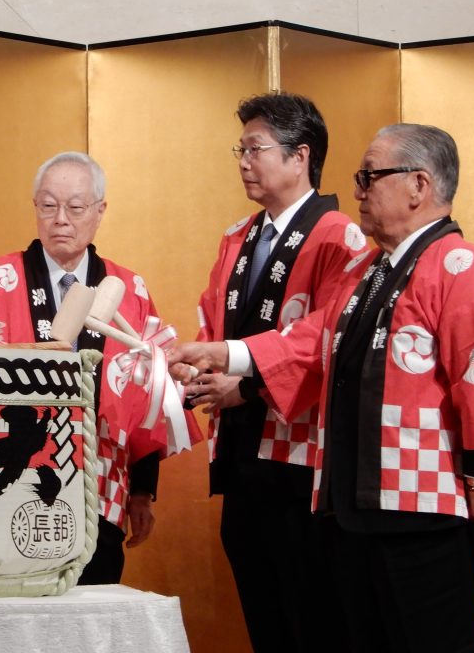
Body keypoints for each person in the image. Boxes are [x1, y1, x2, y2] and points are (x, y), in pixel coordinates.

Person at [170, 124, 474, 653]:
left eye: (369, 177)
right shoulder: (367, 271)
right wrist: (225, 353)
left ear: (418, 185)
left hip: (422, 510)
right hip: (349, 508)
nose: (357, 191)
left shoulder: (462, 265)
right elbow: (309, 340)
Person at [0, 151, 201, 584]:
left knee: (94, 602)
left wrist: (141, 490)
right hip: (4, 485)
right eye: (48, 205)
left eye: (75, 207)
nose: (60, 219)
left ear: (99, 211)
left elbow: (149, 397)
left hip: (100, 484)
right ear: (34, 207)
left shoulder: (128, 289)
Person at [191, 93, 362, 652]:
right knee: (262, 609)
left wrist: (246, 384)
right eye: (239, 150)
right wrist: (197, 368)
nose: (243, 161)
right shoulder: (238, 236)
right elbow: (211, 320)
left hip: (299, 454)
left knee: (307, 613)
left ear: (300, 155)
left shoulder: (338, 235)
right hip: (241, 448)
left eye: (255, 148)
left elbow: (330, 336)